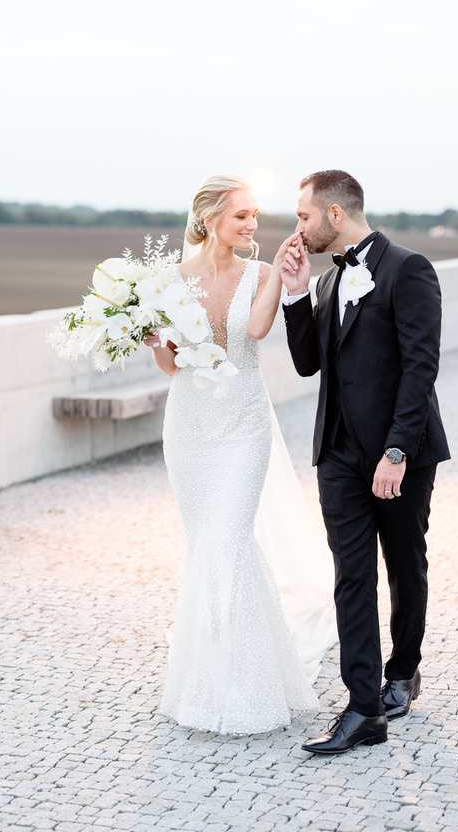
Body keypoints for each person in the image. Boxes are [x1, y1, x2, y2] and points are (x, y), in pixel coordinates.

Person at [146, 174, 337, 735]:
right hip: (189, 426)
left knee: (229, 538)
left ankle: (248, 685)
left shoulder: (260, 273)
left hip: (244, 425)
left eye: (255, 215)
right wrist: (153, 335)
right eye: (241, 216)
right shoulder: (169, 281)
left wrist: (278, 271)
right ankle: (207, 677)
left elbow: (253, 331)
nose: (252, 224)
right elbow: (170, 367)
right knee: (206, 543)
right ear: (209, 220)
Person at [279, 169, 450, 755]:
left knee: (404, 563)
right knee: (351, 575)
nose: (296, 228)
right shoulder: (326, 284)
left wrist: (397, 451)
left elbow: (420, 367)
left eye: (303, 216)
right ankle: (362, 708)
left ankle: (402, 673)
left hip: (399, 454)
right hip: (338, 456)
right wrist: (297, 293)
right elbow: (307, 365)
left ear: (332, 214)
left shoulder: (409, 269)